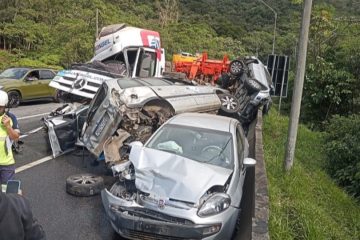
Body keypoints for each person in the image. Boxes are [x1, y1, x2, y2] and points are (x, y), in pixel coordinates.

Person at [0, 90, 20, 184]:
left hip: (6, 164)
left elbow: (16, 138)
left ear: (5, 107)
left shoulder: (10, 117)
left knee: (7, 192)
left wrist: (8, 126)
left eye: (0, 107)